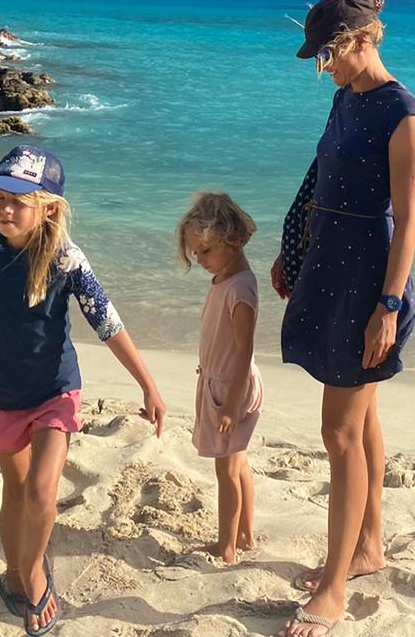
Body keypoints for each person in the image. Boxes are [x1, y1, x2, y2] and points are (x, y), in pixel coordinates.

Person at [0, 145, 167, 635]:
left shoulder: (66, 259)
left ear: (48, 208)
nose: (6, 210)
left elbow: (107, 323)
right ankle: (14, 574)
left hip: (56, 391)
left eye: (19, 201)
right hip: (2, 394)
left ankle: (33, 573)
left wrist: (148, 386)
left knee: (41, 491)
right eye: (0, 199)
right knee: (15, 492)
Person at [272, 0, 415, 637]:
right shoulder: (345, 99)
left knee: (338, 432)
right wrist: (292, 247)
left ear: (363, 40)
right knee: (361, 422)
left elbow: (409, 220)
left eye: (328, 54)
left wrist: (387, 307)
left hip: (368, 281)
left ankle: (334, 588)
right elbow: (319, 176)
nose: (323, 66)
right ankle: (367, 547)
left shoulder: (403, 115)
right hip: (328, 265)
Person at [176, 190, 265, 564]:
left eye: (206, 251)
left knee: (226, 468)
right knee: (237, 461)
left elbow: (244, 351)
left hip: (232, 387)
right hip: (220, 382)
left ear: (234, 239)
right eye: (196, 253)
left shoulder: (240, 289)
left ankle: (226, 546)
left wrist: (230, 404)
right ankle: (244, 533)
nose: (200, 260)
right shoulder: (224, 281)